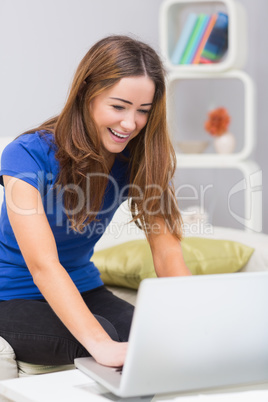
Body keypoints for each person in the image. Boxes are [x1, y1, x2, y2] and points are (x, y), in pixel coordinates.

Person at [0, 35, 191, 369]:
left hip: (85, 287)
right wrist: (100, 343)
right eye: (118, 107)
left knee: (155, 335)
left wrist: (199, 316)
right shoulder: (26, 154)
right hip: (10, 296)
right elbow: (43, 264)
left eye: (143, 111)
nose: (130, 124)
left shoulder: (136, 159)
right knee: (101, 337)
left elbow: (166, 250)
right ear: (87, 95)